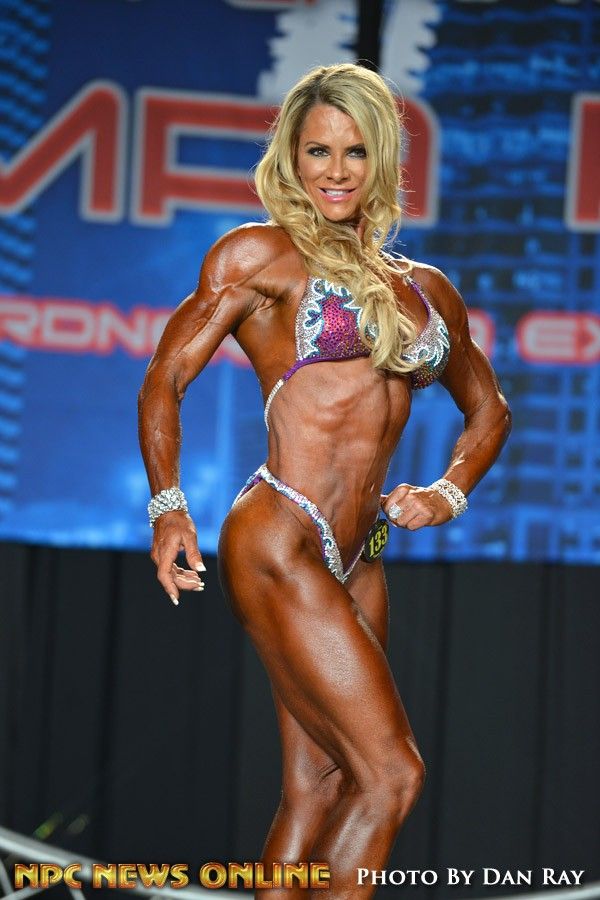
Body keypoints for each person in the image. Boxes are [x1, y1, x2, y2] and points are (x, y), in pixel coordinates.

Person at [138, 63, 511, 897]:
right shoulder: (259, 254)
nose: (336, 171)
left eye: (354, 151)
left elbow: (489, 411)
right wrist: (168, 507)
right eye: (318, 151)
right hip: (281, 533)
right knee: (393, 774)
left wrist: (446, 493)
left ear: (382, 160)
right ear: (291, 158)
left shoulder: (427, 291)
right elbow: (165, 378)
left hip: (360, 553)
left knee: (323, 783)